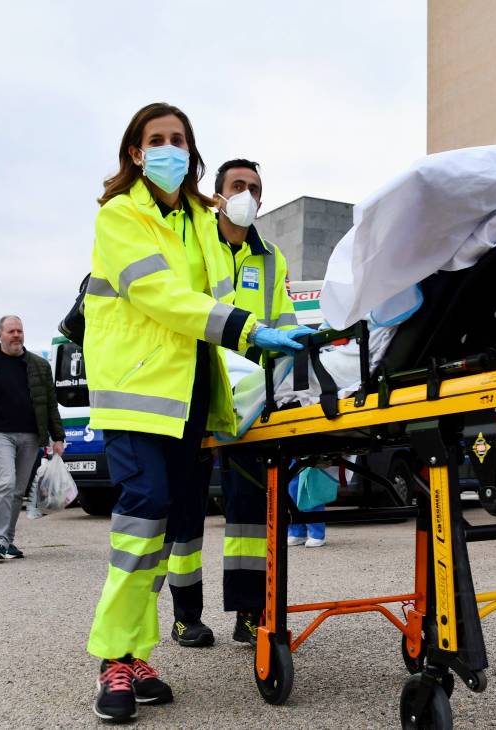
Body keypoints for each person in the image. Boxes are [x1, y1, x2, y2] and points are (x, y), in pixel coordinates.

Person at [82, 103, 312, 723]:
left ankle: (135, 651)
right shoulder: (121, 216)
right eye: (157, 139)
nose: (169, 148)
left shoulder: (200, 221)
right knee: (144, 514)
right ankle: (112, 660)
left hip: (188, 399)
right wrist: (247, 329)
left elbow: (224, 288)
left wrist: (277, 340)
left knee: (158, 530)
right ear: (135, 151)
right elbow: (158, 294)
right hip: (135, 394)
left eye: (179, 139)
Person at [207, 158, 308, 647]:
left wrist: (296, 337)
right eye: (238, 186)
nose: (247, 194)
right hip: (200, 385)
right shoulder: (195, 242)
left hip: (251, 398)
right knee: (178, 514)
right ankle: (184, 615)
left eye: (255, 188)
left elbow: (283, 318)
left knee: (252, 509)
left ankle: (252, 610)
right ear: (218, 195)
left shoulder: (272, 258)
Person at [0, 316, 66, 561]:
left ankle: (8, 541)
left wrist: (57, 436)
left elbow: (50, 403)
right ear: (0, 335)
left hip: (30, 435)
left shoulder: (39, 365)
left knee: (18, 490)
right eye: (11, 331)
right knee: (6, 482)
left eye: (20, 331)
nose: (16, 335)